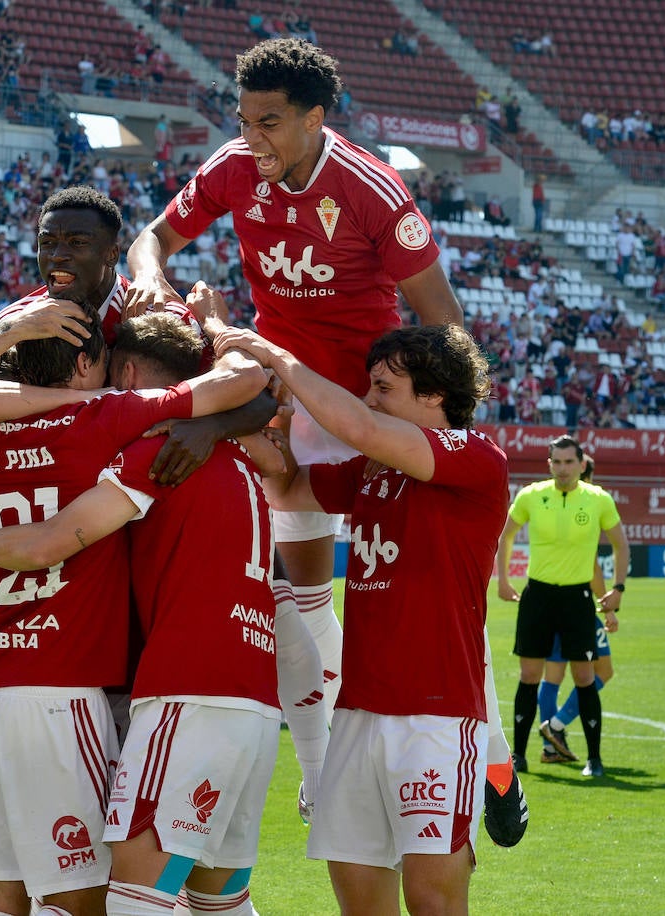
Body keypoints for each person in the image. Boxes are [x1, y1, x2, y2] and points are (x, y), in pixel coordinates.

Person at [125, 37, 463, 724]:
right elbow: (150, 239)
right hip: (288, 398)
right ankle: (324, 763)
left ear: (314, 119)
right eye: (244, 121)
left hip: (368, 406)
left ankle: (486, 753)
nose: (251, 139)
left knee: (410, 590)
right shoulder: (234, 168)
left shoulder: (371, 189)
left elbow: (442, 319)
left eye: (269, 122)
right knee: (302, 596)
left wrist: (432, 427)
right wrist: (154, 282)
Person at [0, 289, 268, 916]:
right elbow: (249, 381)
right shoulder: (109, 421)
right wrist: (209, 333)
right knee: (92, 901)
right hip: (61, 688)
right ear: (86, 368)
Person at [209, 321, 509, 915]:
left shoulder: (475, 459)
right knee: (360, 905)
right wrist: (273, 410)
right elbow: (289, 487)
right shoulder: (373, 470)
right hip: (357, 714)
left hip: (436, 718)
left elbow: (359, 425)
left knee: (433, 902)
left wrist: (271, 349)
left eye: (383, 387)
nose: (369, 398)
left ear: (434, 396)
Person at [497, 435, 628, 778]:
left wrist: (618, 589)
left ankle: (594, 759)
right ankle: (519, 757)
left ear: (582, 464)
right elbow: (506, 535)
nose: (563, 468)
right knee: (529, 675)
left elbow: (620, 545)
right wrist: (502, 580)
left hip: (577, 599)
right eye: (557, 462)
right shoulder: (531, 496)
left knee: (585, 677)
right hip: (537, 596)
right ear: (549, 464)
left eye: (570, 462)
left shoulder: (598, 499)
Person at [535, 455, 617, 764]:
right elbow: (593, 566)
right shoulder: (585, 509)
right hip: (577, 603)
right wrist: (605, 605)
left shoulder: (554, 507)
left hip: (548, 600)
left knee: (552, 675)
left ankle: (549, 748)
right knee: (603, 672)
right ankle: (554, 727)